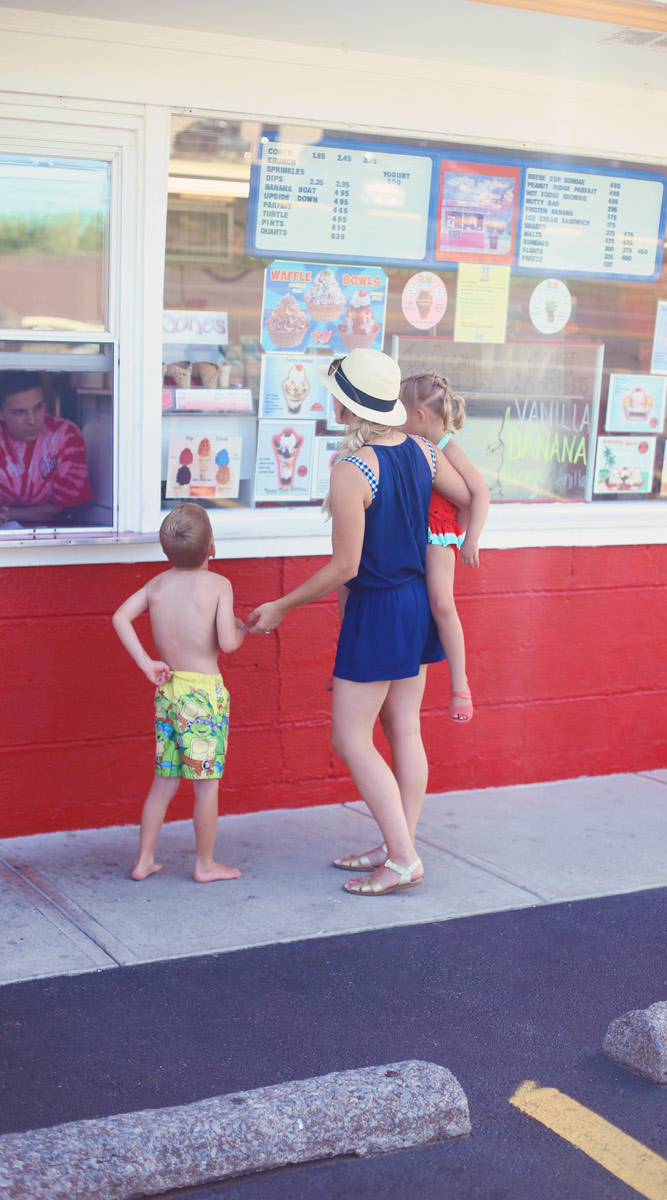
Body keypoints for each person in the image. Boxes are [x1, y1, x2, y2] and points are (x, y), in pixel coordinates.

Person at [247, 348, 470, 897]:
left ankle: (401, 857)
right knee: (403, 730)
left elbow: (346, 567)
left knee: (349, 737)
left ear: (349, 407)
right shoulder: (422, 448)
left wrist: (280, 606)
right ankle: (401, 844)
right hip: (416, 602)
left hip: (379, 607)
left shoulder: (352, 469)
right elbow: (467, 498)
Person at [112, 502, 246, 883]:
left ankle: (144, 860)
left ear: (166, 550)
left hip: (168, 690)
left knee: (165, 779)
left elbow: (120, 616)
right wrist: (239, 628)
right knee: (206, 784)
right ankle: (205, 864)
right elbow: (228, 644)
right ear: (212, 548)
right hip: (203, 696)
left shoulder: (157, 585)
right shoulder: (219, 585)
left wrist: (146, 663)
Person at [400, 373, 489, 723]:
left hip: (438, 535)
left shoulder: (447, 446)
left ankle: (460, 684)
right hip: (417, 533)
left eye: (401, 412)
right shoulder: (413, 445)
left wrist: (468, 537)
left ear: (419, 417)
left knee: (442, 604)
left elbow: (480, 492)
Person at [0, 369, 93, 528]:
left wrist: (3, 514)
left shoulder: (65, 435)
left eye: (38, 408)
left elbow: (63, 508)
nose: (32, 421)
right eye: (19, 412)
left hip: (50, 541)